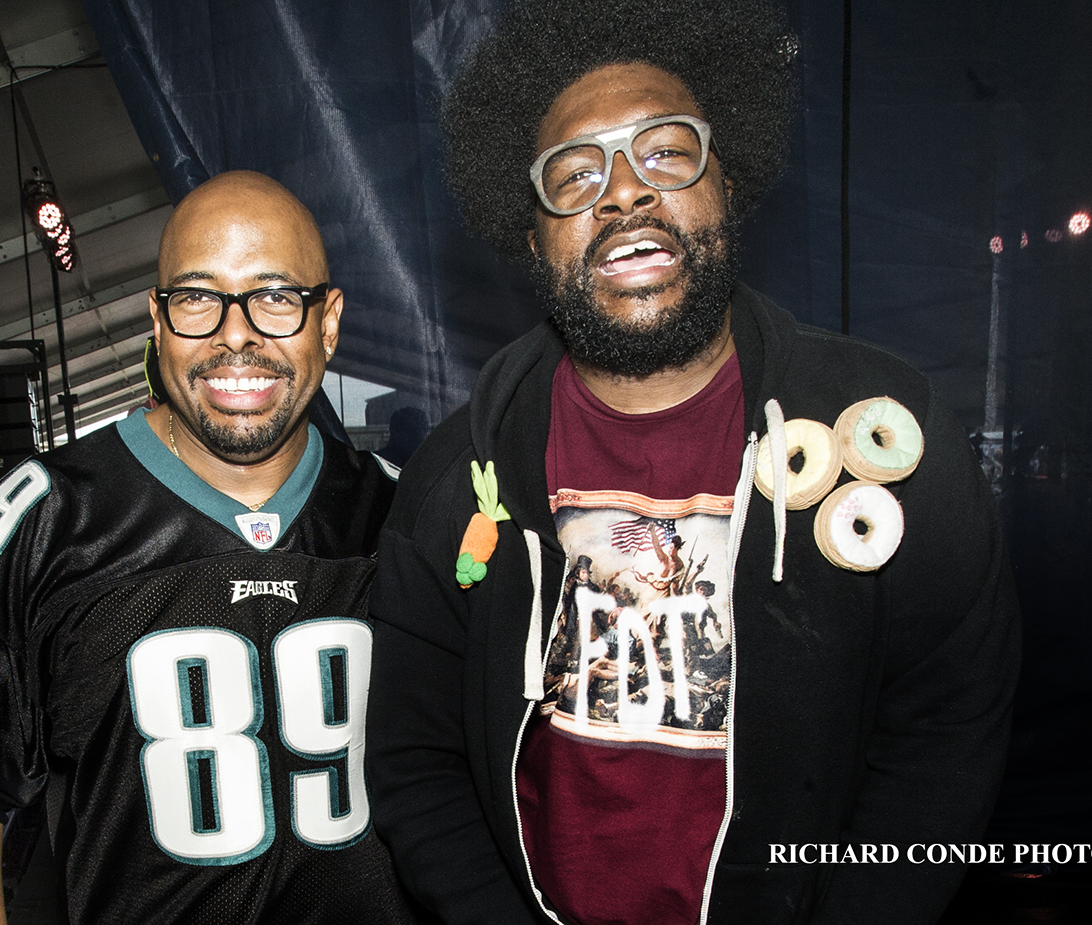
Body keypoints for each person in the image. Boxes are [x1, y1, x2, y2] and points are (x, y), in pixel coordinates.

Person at [365, 2, 1020, 924]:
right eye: (575, 173)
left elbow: (945, 741)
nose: (625, 191)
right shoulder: (448, 483)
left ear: (727, 181)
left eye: (666, 152)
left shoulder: (889, 435)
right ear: (531, 236)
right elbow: (413, 760)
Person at [0, 171, 420, 924]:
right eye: (198, 298)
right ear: (157, 318)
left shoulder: (399, 510)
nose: (235, 336)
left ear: (327, 320)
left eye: (275, 296)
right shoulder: (42, 521)